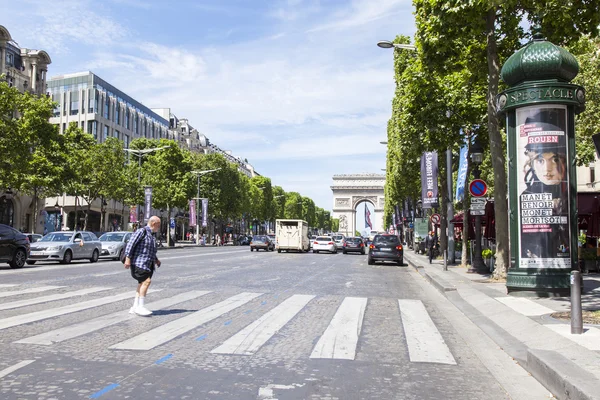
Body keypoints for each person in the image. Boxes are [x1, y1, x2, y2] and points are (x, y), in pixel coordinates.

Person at [520, 122, 569, 261]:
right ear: (533, 165)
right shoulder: (524, 199)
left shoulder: (569, 198)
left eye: (555, 159)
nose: (547, 169)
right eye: (540, 160)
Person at [124, 216, 162, 316]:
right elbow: (131, 244)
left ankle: (134, 306)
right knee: (146, 281)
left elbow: (150, 250)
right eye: (158, 225)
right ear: (154, 223)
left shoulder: (151, 235)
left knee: (141, 284)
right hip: (139, 262)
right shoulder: (142, 231)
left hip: (148, 263)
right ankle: (140, 307)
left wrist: (156, 260)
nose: (159, 227)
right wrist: (127, 258)